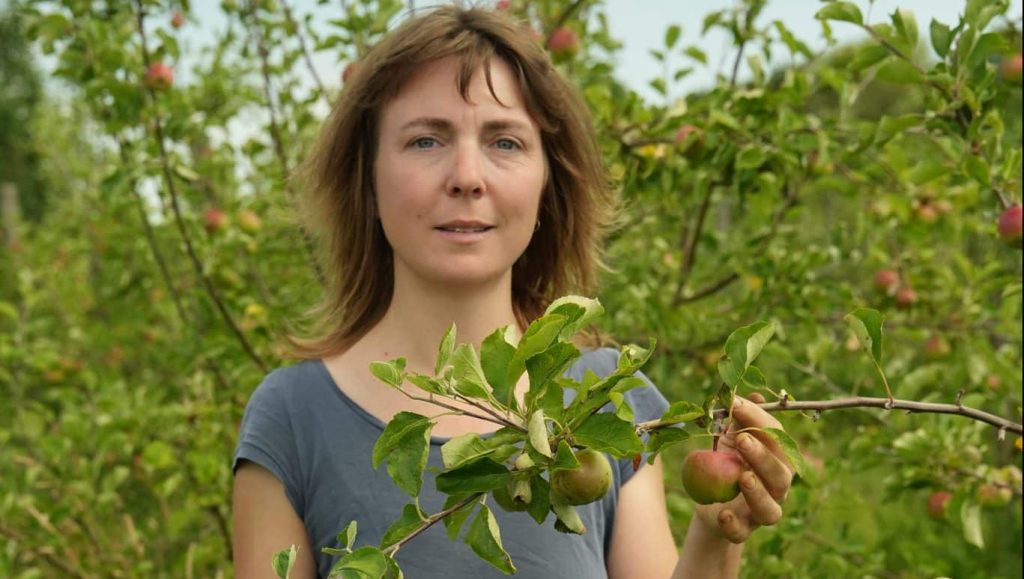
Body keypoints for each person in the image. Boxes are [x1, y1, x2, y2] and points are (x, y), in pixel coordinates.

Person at [232, 5, 793, 578]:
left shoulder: (605, 400)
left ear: (547, 184)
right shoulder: (293, 417)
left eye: (504, 142)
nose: (466, 176)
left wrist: (716, 533)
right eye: (425, 141)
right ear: (368, 181)